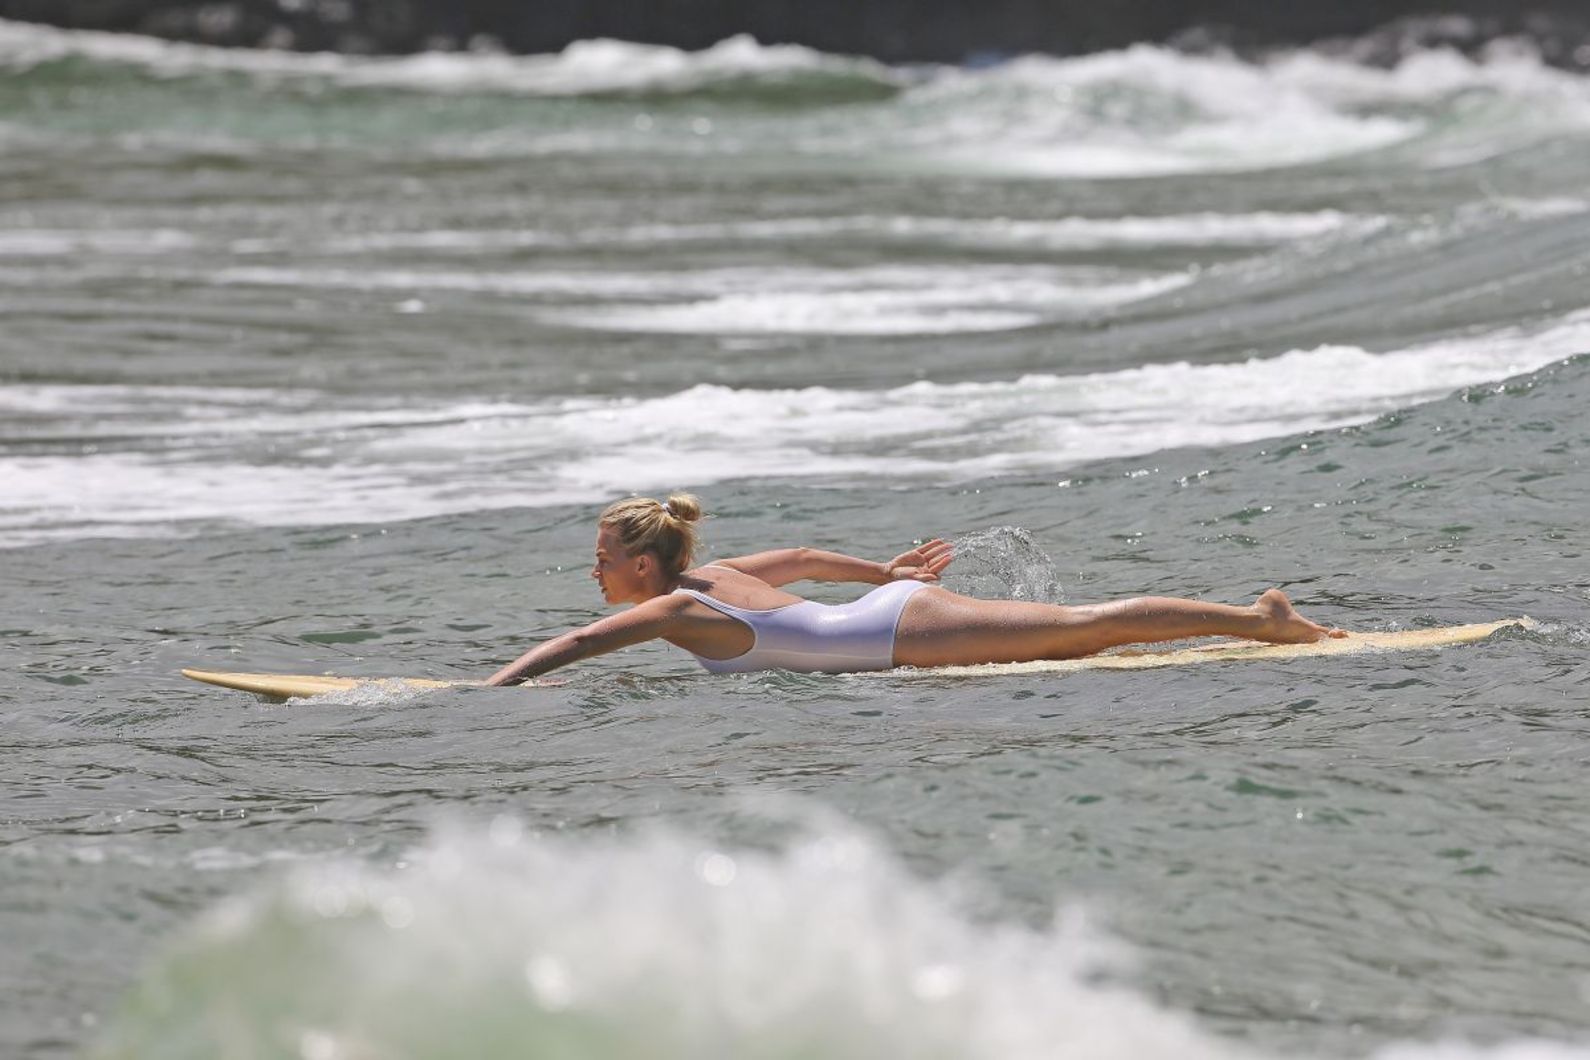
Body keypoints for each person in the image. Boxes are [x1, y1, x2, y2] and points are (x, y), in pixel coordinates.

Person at [486, 493, 1345, 685]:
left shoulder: (674, 606)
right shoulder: (711, 576)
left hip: (890, 635)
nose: (592, 572)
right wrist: (883, 573)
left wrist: (492, 688)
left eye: (601, 558)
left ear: (643, 567)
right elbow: (805, 555)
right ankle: (1255, 618)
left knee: (1082, 631)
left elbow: (579, 645)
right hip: (882, 616)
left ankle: (1260, 619)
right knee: (1079, 631)